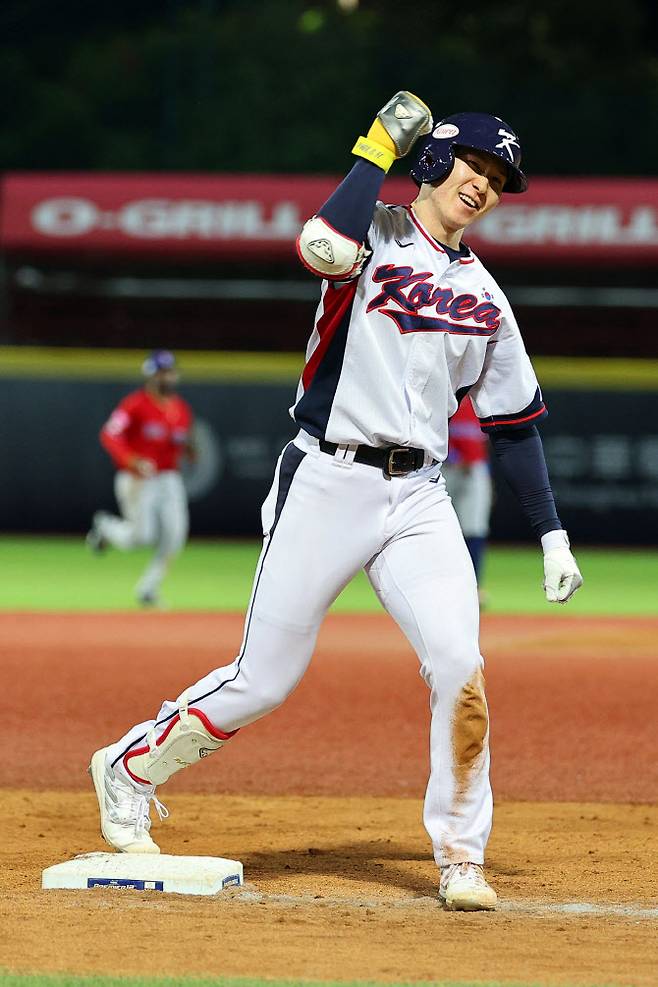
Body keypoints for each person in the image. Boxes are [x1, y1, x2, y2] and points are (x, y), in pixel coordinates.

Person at [89, 93, 583, 912]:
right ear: (433, 162)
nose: (484, 183)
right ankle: (130, 766)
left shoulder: (488, 295)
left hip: (419, 496)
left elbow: (516, 425)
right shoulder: (375, 234)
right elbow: (320, 246)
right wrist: (378, 147)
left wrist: (551, 533)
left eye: (499, 178)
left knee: (460, 663)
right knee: (264, 679)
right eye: (473, 164)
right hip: (327, 479)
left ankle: (461, 853)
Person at [86, 349, 195, 608]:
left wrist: (190, 450)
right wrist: (131, 459)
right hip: (137, 479)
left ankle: (148, 588)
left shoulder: (180, 409)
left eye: (170, 371)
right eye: (162, 372)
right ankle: (105, 527)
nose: (168, 377)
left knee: (175, 537)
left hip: (169, 479)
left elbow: (181, 442)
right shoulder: (134, 404)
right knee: (141, 537)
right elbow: (110, 435)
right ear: (151, 376)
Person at [443, 396, 493, 605]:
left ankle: (473, 587)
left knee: (475, 528)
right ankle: (440, 586)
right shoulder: (447, 393)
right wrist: (454, 458)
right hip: (445, 468)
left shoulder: (482, 401)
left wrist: (486, 475)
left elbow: (484, 443)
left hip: (475, 471)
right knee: (439, 527)